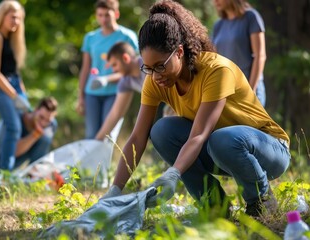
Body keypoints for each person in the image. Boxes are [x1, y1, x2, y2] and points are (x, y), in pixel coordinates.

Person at [102, 0, 290, 218]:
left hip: (268, 150)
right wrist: (115, 189)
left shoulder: (216, 70)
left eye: (161, 66)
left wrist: (174, 173)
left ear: (179, 52)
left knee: (222, 138)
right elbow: (137, 137)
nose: (156, 75)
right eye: (149, 68)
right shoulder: (155, 80)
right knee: (161, 131)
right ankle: (215, 207)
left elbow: (199, 135)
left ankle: (261, 201)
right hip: (219, 151)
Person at [77, 0, 138, 139]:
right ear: (96, 16)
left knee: (108, 135)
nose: (103, 19)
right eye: (100, 15)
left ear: (116, 14)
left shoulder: (127, 37)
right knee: (91, 135)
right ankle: (92, 162)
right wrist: (80, 96)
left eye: (107, 15)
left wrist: (106, 79)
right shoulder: (90, 38)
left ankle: (105, 162)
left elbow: (133, 67)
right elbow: (85, 68)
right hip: (92, 92)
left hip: (116, 92)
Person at [0, 0, 30, 171]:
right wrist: (15, 96)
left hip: (14, 85)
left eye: (19, 19)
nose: (16, 22)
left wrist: (23, 95)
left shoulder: (13, 39)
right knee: (13, 126)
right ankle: (5, 170)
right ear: (2, 16)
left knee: (25, 124)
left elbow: (15, 72)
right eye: (13, 17)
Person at [212, 0, 267, 106]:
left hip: (250, 90)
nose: (215, 1)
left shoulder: (251, 17)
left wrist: (251, 90)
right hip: (227, 93)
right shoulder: (218, 25)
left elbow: (260, 56)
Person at [0, 97, 58, 170]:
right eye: (41, 117)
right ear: (35, 110)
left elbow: (42, 151)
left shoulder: (51, 125)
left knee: (45, 140)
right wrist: (35, 134)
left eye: (47, 120)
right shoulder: (16, 118)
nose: (43, 123)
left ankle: (34, 176)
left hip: (19, 160)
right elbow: (12, 151)